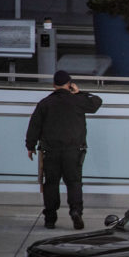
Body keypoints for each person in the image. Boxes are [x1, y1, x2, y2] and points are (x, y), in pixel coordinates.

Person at [25, 70, 102, 229]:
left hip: (50, 151)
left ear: (53, 85)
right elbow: (97, 102)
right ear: (69, 84)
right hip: (73, 151)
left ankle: (50, 218)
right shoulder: (78, 100)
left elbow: (34, 125)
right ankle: (75, 212)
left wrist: (30, 146)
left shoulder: (45, 103)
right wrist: (79, 92)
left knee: (51, 184)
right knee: (74, 183)